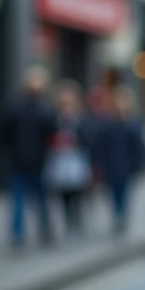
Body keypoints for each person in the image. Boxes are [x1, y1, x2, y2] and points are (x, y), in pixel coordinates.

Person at [0, 66, 57, 247]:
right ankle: (45, 230)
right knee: (40, 199)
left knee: (18, 200)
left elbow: (2, 133)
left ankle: (18, 234)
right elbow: (52, 133)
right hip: (38, 161)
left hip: (18, 161)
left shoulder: (13, 106)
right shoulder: (44, 109)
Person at [91, 86, 145, 236]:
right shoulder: (128, 126)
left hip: (115, 167)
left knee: (117, 193)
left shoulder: (111, 126)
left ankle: (119, 214)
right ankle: (120, 215)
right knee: (121, 193)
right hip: (122, 167)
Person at [44, 81, 92, 237]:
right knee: (62, 193)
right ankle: (67, 219)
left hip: (75, 160)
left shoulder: (81, 119)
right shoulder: (53, 119)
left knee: (77, 193)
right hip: (59, 160)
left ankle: (76, 218)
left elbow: (89, 138)